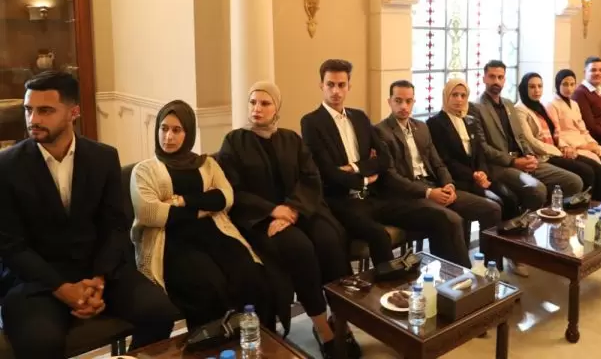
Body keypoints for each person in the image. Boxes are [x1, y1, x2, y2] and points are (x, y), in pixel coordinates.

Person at [0, 71, 176, 359]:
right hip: (35, 281)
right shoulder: (6, 166)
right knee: (41, 343)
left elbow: (115, 226)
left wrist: (99, 279)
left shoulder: (103, 157)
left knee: (160, 313)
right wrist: (63, 289)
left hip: (97, 271)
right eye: (28, 110)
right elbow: (10, 246)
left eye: (45, 110)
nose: (33, 119)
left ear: (74, 112)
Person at [218, 82, 358, 359]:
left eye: (265, 103)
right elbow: (233, 190)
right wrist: (272, 211)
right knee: (300, 248)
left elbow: (310, 177)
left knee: (329, 240)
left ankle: (340, 319)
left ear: (277, 108)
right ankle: (323, 329)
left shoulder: (290, 138)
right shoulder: (234, 141)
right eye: (253, 102)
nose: (257, 109)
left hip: (299, 210)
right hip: (260, 219)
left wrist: (292, 210)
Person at [131, 100, 286, 334]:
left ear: (189, 133)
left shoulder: (206, 164)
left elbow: (225, 198)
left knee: (253, 276)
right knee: (209, 287)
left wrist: (180, 201)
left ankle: (259, 343)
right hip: (171, 241)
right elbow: (151, 213)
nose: (168, 137)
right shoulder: (144, 170)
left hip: (215, 233)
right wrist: (204, 205)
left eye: (177, 130)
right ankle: (213, 345)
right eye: (164, 129)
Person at [300, 59, 472, 268]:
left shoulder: (359, 117)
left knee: (441, 218)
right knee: (379, 235)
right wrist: (364, 178)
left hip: (376, 197)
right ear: (321, 85)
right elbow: (327, 171)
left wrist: (355, 168)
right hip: (342, 201)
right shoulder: (311, 122)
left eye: (341, 85)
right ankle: (389, 284)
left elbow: (383, 159)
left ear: (348, 86)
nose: (336, 91)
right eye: (330, 84)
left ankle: (459, 277)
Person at [376, 80, 502, 243]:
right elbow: (390, 176)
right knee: (452, 220)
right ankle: (454, 262)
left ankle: (488, 259)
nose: (404, 106)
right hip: (410, 194)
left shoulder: (421, 127)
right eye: (398, 101)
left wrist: (448, 185)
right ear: (389, 101)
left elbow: (438, 163)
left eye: (408, 101)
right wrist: (429, 193)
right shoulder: (381, 131)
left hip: (435, 185)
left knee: (492, 209)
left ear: (414, 102)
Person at [471, 60, 583, 211]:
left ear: (504, 79)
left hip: (523, 159)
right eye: (492, 76)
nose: (496, 81)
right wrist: (513, 161)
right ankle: (526, 223)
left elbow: (520, 136)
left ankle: (551, 217)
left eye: (500, 77)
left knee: (574, 181)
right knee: (538, 189)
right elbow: (483, 147)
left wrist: (530, 156)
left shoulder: (508, 104)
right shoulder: (476, 107)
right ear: (484, 78)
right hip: (500, 165)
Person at [427, 79, 521, 219]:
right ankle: (495, 233)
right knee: (497, 203)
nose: (459, 99)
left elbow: (480, 152)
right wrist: (473, 175)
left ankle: (511, 232)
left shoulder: (470, 120)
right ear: (446, 96)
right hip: (457, 179)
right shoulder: (435, 123)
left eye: (463, 95)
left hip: (478, 177)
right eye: (454, 95)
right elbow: (445, 159)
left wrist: (482, 173)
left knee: (511, 198)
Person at [514, 73, 599, 194]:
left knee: (593, 166)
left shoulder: (539, 106)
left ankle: (590, 202)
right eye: (532, 87)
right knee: (586, 171)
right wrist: (557, 151)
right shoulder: (520, 110)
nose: (537, 90)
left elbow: (554, 131)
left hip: (555, 150)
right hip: (543, 156)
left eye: (540, 86)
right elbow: (530, 141)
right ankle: (577, 203)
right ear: (524, 88)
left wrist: (565, 146)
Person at [545, 69, 601, 197]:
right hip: (571, 146)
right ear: (557, 84)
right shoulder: (551, 105)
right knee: (598, 168)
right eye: (565, 84)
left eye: (572, 84)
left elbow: (583, 129)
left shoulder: (574, 104)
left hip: (584, 141)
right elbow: (556, 132)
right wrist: (580, 146)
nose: (569, 88)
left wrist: (592, 143)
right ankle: (597, 200)